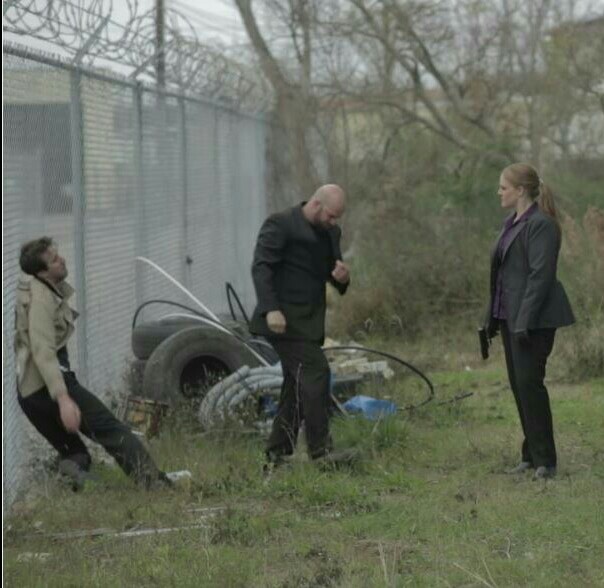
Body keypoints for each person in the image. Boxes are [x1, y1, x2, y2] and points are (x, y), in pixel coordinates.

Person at [14, 237, 171, 490]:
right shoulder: (41, 300)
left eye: (58, 254)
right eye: (54, 260)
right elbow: (43, 352)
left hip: (29, 394)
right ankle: (154, 484)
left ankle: (74, 484)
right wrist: (64, 399)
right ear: (42, 271)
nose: (62, 260)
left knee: (76, 453)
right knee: (110, 429)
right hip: (47, 387)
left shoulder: (38, 287)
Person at [250, 185, 351, 471]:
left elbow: (333, 274)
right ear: (316, 204)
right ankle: (321, 452)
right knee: (317, 371)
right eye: (331, 215)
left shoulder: (331, 233)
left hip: (308, 322)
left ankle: (276, 455)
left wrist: (342, 277)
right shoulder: (280, 224)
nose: (334, 222)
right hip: (281, 321)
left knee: (295, 385)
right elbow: (262, 267)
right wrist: (271, 308)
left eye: (337, 218)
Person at [483, 163, 575, 479]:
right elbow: (503, 277)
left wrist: (523, 320)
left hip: (534, 320)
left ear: (521, 190)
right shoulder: (512, 224)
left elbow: (540, 276)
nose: (499, 192)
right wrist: (493, 319)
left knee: (530, 386)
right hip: (511, 318)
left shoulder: (542, 225)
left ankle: (546, 462)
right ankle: (531, 456)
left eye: (503, 187)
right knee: (519, 387)